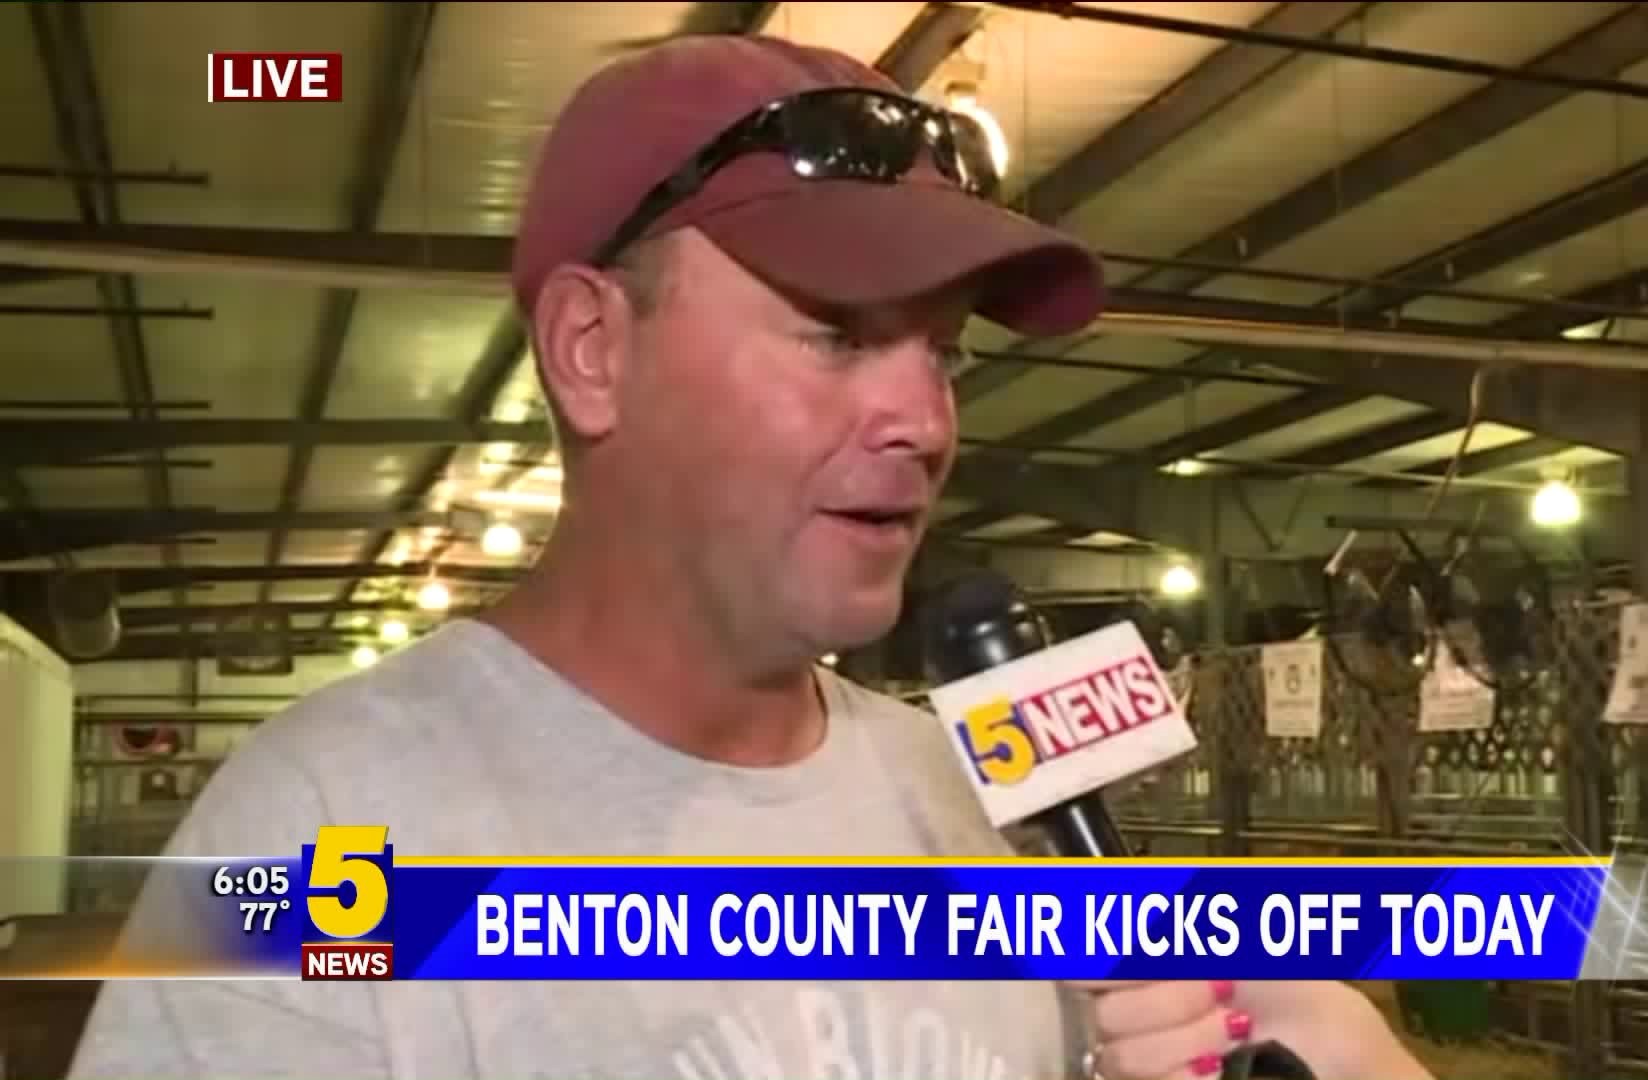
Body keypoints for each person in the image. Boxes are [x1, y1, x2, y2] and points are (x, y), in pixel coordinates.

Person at [64, 34, 1430, 1080]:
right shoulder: (315, 829)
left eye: (943, 352)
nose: (925, 420)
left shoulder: (974, 803)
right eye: (838, 332)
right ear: (595, 352)